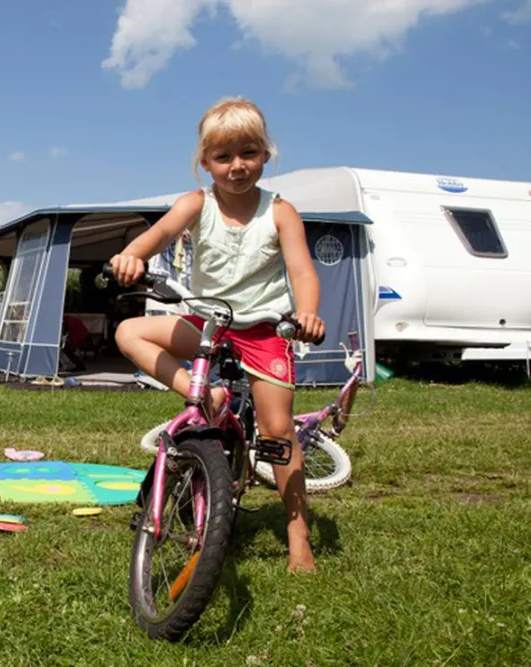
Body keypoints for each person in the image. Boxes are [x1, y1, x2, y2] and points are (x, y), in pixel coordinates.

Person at [108, 96, 326, 573]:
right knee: (129, 332)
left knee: (278, 432)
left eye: (248, 153)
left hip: (263, 330)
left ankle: (298, 537)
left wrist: (307, 313)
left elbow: (302, 272)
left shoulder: (280, 211)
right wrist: (134, 254)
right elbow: (161, 234)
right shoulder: (196, 203)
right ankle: (203, 394)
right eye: (223, 157)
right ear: (205, 162)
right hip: (208, 326)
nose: (237, 166)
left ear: (265, 155)